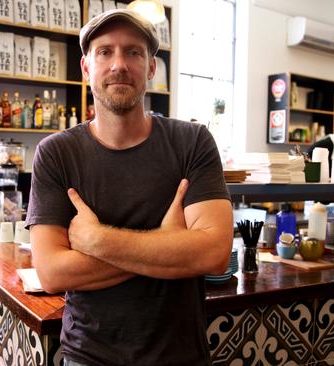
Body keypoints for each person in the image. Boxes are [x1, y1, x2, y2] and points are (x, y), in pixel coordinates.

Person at [25, 9, 234, 365]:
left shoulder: (193, 142)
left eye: (133, 52)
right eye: (105, 51)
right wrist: (167, 241)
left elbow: (213, 254)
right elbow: (52, 273)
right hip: (88, 356)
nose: (119, 64)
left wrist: (97, 241)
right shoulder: (56, 153)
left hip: (181, 355)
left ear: (151, 68)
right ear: (86, 67)